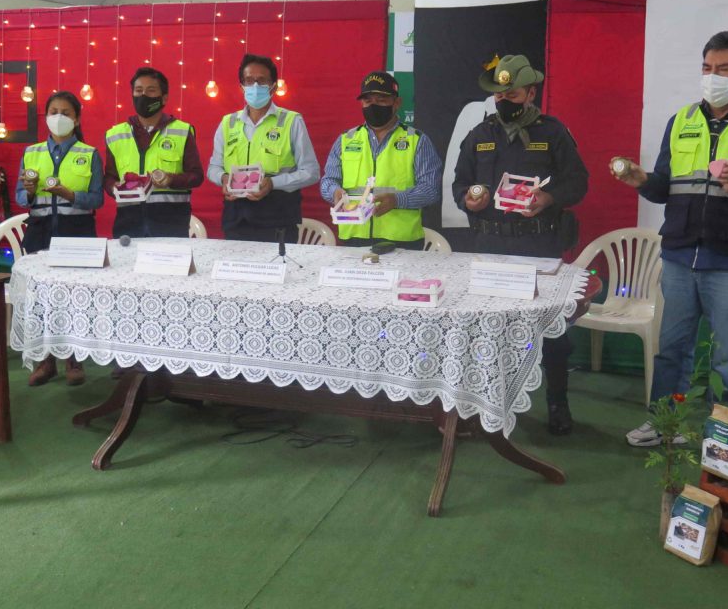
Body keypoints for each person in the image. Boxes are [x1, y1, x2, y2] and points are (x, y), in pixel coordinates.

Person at [613, 31, 728, 447]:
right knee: (672, 348)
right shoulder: (681, 121)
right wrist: (642, 180)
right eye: (706, 68)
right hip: (679, 256)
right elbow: (664, 189)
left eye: (724, 69)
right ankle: (665, 422)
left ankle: (725, 435)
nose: (712, 77)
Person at [452, 54, 588, 435]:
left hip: (538, 247)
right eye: (497, 94)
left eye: (511, 93)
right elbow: (460, 184)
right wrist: (469, 199)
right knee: (483, 328)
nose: (502, 100)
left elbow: (578, 183)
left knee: (551, 332)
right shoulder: (479, 135)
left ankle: (558, 403)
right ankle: (478, 406)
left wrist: (548, 199)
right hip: (488, 245)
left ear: (530, 93)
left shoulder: (553, 132)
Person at [16, 89, 104, 386]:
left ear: (76, 118)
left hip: (76, 233)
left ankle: (74, 359)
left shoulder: (89, 154)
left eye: (65, 112)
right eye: (53, 112)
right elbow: (20, 196)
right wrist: (28, 192)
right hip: (40, 231)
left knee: (73, 296)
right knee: (41, 297)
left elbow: (96, 200)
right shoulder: (31, 152)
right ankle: (45, 360)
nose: (58, 118)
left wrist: (69, 194)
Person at [320, 70, 442, 249]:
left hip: (401, 241)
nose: (373, 106)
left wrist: (397, 200)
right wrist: (334, 192)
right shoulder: (346, 139)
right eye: (368, 101)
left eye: (381, 100)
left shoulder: (416, 140)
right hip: (353, 237)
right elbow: (328, 180)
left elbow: (431, 189)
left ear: (397, 102)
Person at [207, 54, 320, 242]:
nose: (255, 86)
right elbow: (213, 168)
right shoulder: (229, 122)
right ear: (241, 86)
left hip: (278, 219)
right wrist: (223, 178)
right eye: (249, 81)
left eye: (262, 81)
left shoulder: (291, 121)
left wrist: (273, 183)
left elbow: (312, 172)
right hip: (236, 220)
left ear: (273, 86)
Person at [105, 67, 204, 238]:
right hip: (128, 223)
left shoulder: (182, 130)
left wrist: (170, 179)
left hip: (171, 223)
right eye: (138, 90)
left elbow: (196, 176)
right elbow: (109, 177)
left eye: (151, 90)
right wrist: (114, 187)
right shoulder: (115, 134)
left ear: (164, 98)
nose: (143, 95)